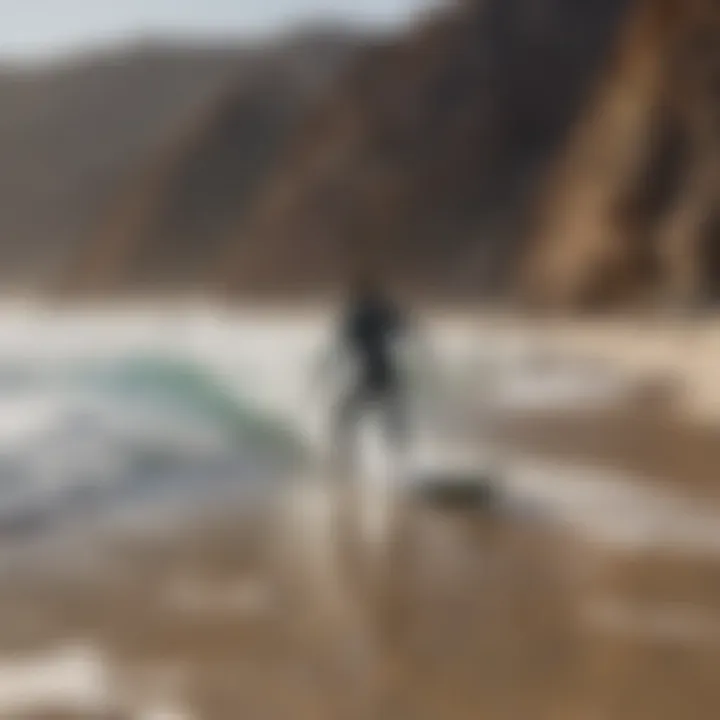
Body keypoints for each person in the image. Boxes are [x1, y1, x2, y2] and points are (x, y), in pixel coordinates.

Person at [326, 273, 411, 473]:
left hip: (372, 373)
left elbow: (345, 341)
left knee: (346, 417)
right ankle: (399, 461)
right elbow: (402, 328)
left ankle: (346, 460)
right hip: (386, 371)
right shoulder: (381, 310)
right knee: (390, 417)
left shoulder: (361, 314)